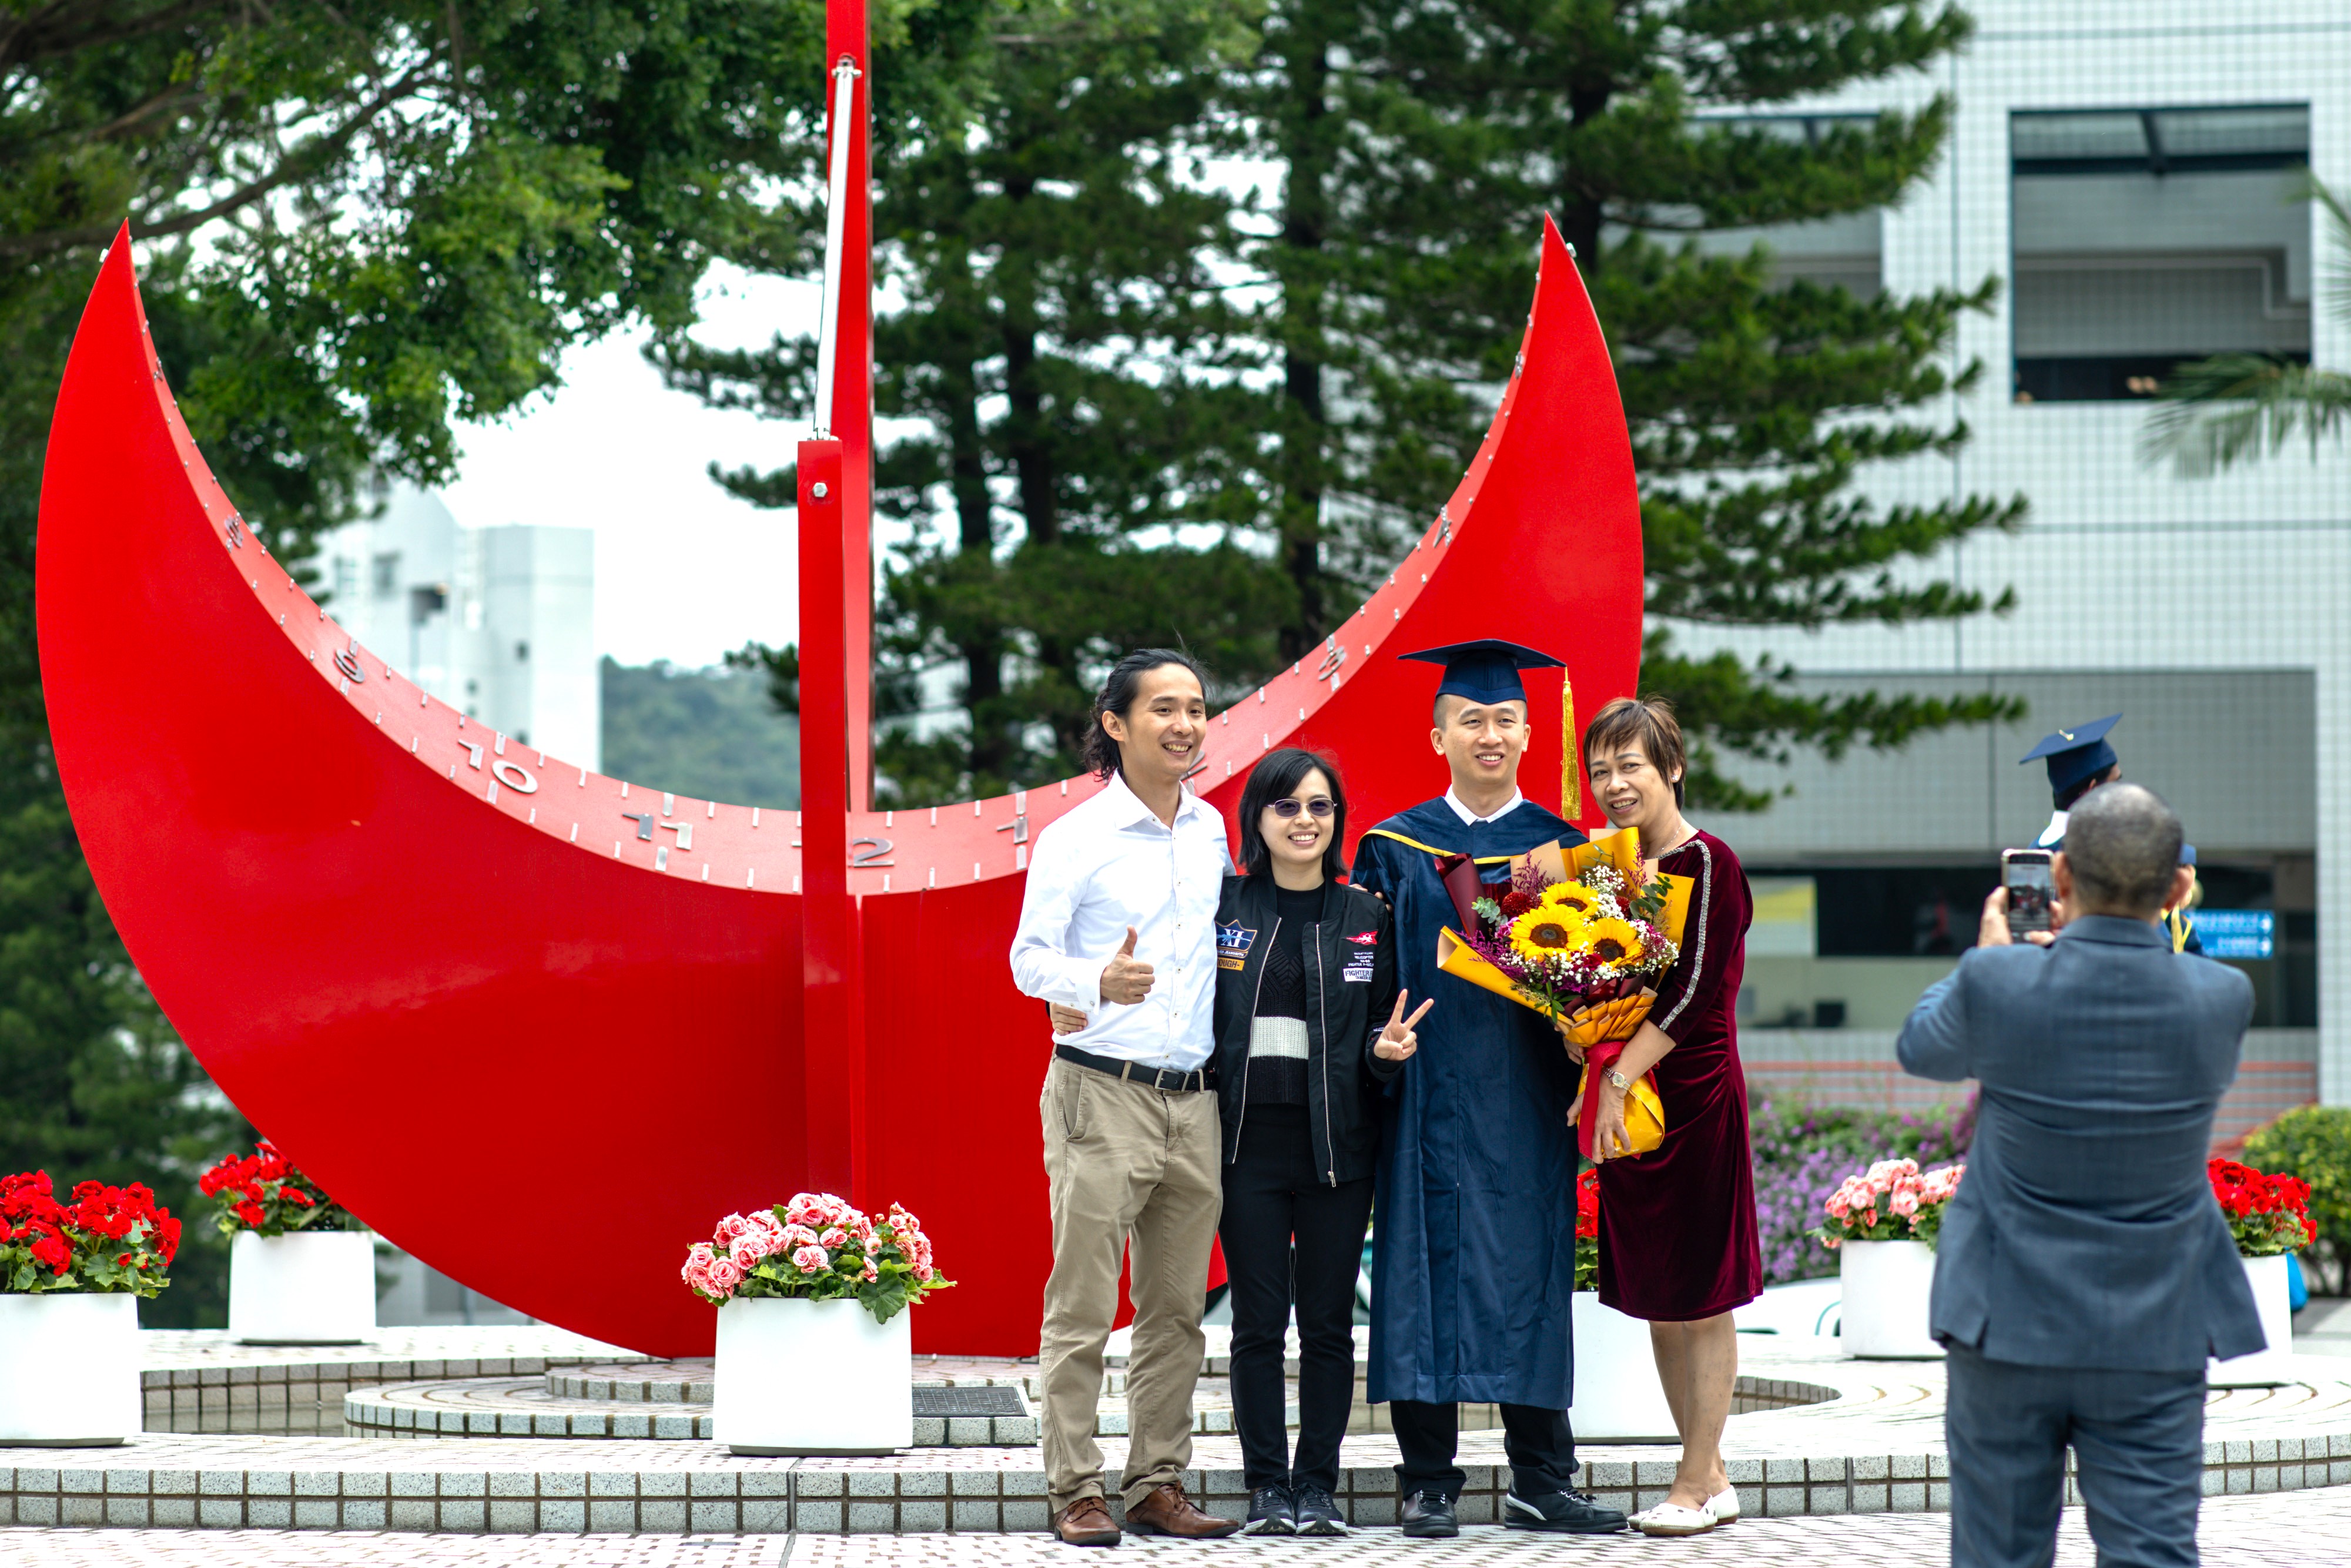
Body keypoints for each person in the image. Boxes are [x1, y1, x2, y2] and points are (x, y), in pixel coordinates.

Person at [1046, 748, 1429, 1539]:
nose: (1304, 821)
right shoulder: (1226, 906)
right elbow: (1178, 995)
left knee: (1327, 1325)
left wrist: (1383, 1058)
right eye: (1287, 806)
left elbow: (1367, 1039)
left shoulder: (1367, 914)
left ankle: (1315, 1487)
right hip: (1241, 1144)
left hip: (1336, 1149)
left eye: (1320, 807)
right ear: (1256, 818)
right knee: (1256, 1323)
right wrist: (1076, 999)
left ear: (1337, 821)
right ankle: (1266, 1488)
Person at [1897, 782, 2263, 1568]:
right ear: (2177, 889)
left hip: (2005, 1318)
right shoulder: (2222, 996)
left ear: (2057, 881)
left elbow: (1922, 1050)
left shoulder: (2000, 984)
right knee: (2153, 1552)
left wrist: (1986, 959)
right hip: (2158, 1325)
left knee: (1998, 1553)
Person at [1348, 639, 1627, 1540]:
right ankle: (1429, 1482)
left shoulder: (1567, 848)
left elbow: (1604, 984)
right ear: (1439, 737)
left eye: (1507, 720)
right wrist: (1375, 1053)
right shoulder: (1391, 849)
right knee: (1419, 1275)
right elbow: (1362, 974)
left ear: (1529, 731)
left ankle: (1543, 1477)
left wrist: (1594, 1041)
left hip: (1525, 1104)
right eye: (1472, 720)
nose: (1492, 735)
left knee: (1530, 1275)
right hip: (1424, 1098)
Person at [1008, 648, 1241, 1546]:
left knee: (1177, 1309)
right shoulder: (1077, 837)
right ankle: (1075, 1487)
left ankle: (1156, 1484)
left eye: (1196, 708)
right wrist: (1098, 981)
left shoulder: (1214, 830)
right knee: (1082, 1305)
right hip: (1100, 1093)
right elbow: (1028, 960)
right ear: (1115, 724)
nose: (1185, 724)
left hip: (1197, 1099)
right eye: (1163, 709)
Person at [1576, 696, 1762, 1539]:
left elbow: (1690, 994)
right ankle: (1708, 1472)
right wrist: (1593, 1061)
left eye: (1632, 767)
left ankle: (1694, 1479)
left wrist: (1614, 1080)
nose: (1616, 785)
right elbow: (1595, 987)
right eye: (1602, 770)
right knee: (1658, 1292)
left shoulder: (1709, 861)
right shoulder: (1607, 874)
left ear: (1672, 770)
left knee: (1702, 1293)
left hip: (1692, 1097)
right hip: (1629, 1099)